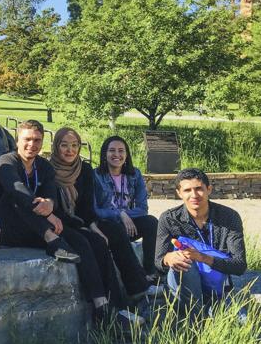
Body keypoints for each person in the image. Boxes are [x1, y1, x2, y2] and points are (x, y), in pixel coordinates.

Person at [49, 128, 151, 325]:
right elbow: (56, 209)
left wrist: (92, 226)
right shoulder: (48, 169)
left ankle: (137, 289)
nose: (70, 150)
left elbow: (87, 207)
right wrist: (88, 228)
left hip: (84, 221)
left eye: (74, 145)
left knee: (113, 232)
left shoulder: (84, 170)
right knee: (95, 244)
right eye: (64, 145)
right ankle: (112, 308)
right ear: (56, 147)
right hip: (61, 223)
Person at [156, 168, 247, 315]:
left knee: (242, 324)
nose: (194, 195)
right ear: (179, 193)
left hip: (219, 286)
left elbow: (240, 265)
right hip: (185, 281)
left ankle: (211, 310)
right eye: (187, 190)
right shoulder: (169, 219)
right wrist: (168, 258)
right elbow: (158, 261)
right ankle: (194, 320)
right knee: (183, 262)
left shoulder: (229, 216)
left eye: (199, 189)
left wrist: (202, 257)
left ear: (209, 189)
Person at [94, 136, 161, 280]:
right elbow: (96, 210)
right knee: (115, 229)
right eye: (112, 150)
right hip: (109, 225)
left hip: (130, 224)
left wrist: (126, 215)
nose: (117, 155)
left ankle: (150, 272)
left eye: (121, 151)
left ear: (126, 154)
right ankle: (133, 278)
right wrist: (120, 215)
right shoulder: (96, 176)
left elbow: (143, 208)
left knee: (151, 222)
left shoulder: (134, 174)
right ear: (104, 154)